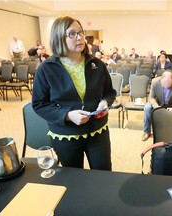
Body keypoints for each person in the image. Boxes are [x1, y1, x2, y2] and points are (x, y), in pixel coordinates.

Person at [32, 16, 116, 171]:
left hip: (97, 131)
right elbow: (39, 105)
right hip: (65, 135)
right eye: (72, 34)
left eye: (81, 32)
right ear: (59, 38)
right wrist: (68, 115)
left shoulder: (97, 64)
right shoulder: (46, 68)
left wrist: (105, 102)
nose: (79, 37)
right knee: (74, 179)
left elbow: (109, 92)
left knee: (103, 175)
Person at [142, 71, 172, 141]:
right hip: (158, 104)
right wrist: (156, 107)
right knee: (147, 107)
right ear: (161, 80)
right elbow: (151, 97)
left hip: (171, 104)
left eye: (169, 84)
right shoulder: (155, 82)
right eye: (164, 84)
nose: (166, 86)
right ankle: (147, 132)